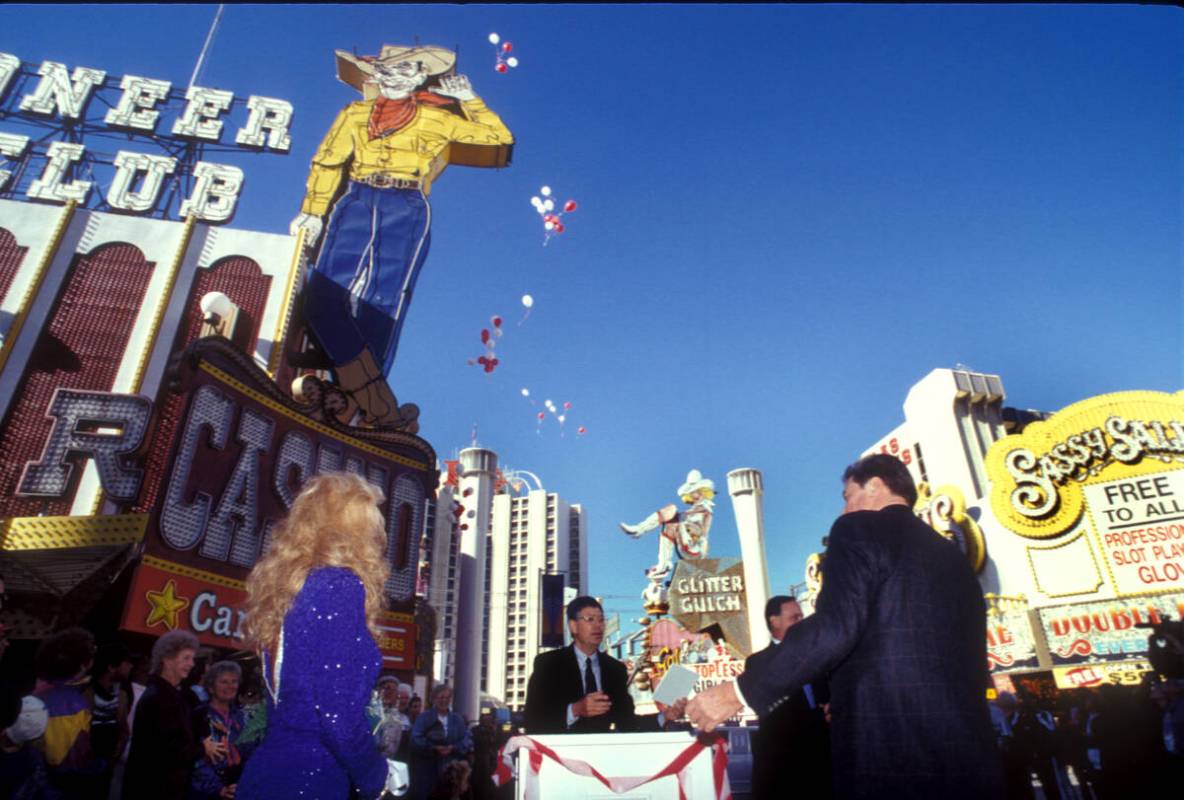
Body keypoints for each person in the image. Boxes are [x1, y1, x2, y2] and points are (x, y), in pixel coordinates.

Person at [687, 453, 1002, 799]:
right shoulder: (952, 556)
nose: (843, 510)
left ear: (876, 486)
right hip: (970, 757)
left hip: (890, 757)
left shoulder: (858, 529)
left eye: (847, 496)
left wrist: (737, 692)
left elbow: (835, 627)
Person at [290, 44, 513, 428]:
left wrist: (470, 99)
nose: (398, 77)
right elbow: (328, 160)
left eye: (408, 71)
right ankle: (374, 399)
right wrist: (312, 210)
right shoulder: (354, 114)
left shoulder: (438, 118)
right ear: (377, 75)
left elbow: (498, 139)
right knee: (323, 297)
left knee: (382, 301)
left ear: (419, 78)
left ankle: (354, 401)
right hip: (356, 197)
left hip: (406, 203)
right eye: (391, 71)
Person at [235, 472, 404, 799]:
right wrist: (376, 775)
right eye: (373, 518)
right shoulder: (338, 586)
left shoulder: (291, 594)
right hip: (311, 780)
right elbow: (337, 715)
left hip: (267, 773)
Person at [523, 596, 687, 734]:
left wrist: (665, 716)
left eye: (602, 620)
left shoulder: (615, 669)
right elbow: (532, 722)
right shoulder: (549, 664)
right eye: (590, 619)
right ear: (573, 626)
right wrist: (574, 710)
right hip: (559, 760)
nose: (598, 626)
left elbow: (628, 724)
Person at [745, 595, 831, 799]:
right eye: (795, 618)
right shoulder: (757, 662)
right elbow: (778, 710)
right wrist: (818, 717)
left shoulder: (819, 656)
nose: (802, 622)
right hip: (783, 764)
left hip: (822, 758)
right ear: (774, 622)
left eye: (802, 616)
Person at [122, 630, 218, 800]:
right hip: (153, 789)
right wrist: (204, 748)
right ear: (167, 659)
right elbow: (170, 750)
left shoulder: (171, 694)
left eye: (192, 659)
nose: (192, 664)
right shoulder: (159, 697)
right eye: (186, 658)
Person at [33, 627, 103, 797]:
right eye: (92, 651)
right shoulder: (72, 705)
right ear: (83, 664)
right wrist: (100, 765)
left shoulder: (38, 690)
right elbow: (66, 764)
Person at [190, 660, 252, 800]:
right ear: (211, 687)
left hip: (240, 786)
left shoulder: (243, 716)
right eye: (223, 682)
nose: (230, 686)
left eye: (234, 681)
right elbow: (195, 759)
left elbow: (251, 751)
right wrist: (219, 789)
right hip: (207, 791)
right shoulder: (199, 716)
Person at [408, 684, 471, 800]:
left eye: (447, 697)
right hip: (427, 772)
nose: (444, 700)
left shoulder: (457, 719)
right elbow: (415, 739)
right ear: (434, 699)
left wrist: (453, 747)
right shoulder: (423, 717)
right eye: (441, 697)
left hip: (451, 774)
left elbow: (466, 741)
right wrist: (433, 747)